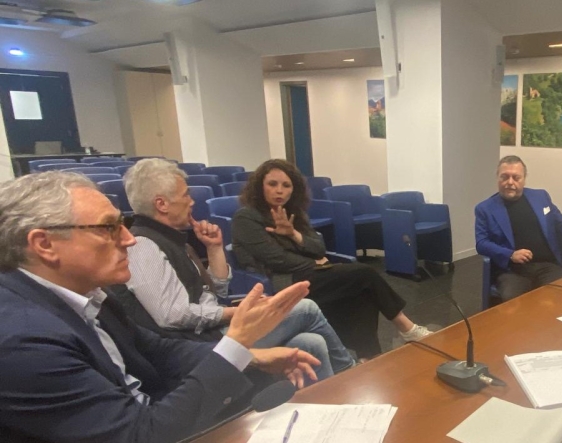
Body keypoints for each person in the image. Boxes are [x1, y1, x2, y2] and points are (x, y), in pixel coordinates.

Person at [0, 172, 319, 442]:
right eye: (108, 227)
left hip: (152, 414)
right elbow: (141, 436)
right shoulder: (24, 343)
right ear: (45, 244)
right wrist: (237, 343)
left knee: (302, 356)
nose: (129, 239)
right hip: (148, 430)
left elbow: (157, 350)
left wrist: (250, 356)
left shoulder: (87, 293)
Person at [122, 159, 354, 380]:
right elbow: (173, 316)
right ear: (161, 204)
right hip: (201, 344)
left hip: (215, 330)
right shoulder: (144, 246)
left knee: (311, 343)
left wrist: (214, 249)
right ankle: (350, 372)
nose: (191, 202)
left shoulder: (173, 240)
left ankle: (326, 401)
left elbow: (216, 292)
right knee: (306, 308)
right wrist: (238, 312)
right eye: (186, 195)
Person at [231, 159, 432, 359]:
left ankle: (369, 357)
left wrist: (293, 234)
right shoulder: (246, 217)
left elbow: (319, 248)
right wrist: (316, 263)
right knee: (365, 273)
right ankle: (407, 329)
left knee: (362, 291)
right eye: (272, 184)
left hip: (310, 276)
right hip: (281, 283)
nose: (279, 191)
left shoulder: (294, 214)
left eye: (286, 185)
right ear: (260, 186)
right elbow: (276, 260)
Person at [475, 155, 562, 301]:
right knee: (513, 303)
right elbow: (481, 243)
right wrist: (510, 254)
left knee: (558, 297)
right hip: (512, 271)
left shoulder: (540, 197)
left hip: (547, 266)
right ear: (497, 178)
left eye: (516, 177)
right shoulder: (485, 209)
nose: (510, 182)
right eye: (504, 177)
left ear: (524, 179)